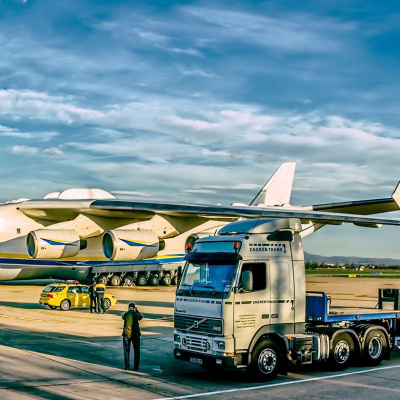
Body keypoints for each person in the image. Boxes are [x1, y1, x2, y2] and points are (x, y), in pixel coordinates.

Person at [122, 302, 143, 371]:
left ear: (128, 308)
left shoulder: (126, 314)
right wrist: (136, 311)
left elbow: (123, 317)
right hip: (135, 335)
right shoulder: (136, 315)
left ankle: (126, 366)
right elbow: (141, 317)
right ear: (134, 308)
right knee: (136, 351)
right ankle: (136, 366)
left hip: (127, 335)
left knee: (126, 351)